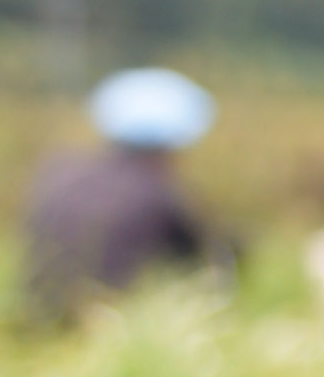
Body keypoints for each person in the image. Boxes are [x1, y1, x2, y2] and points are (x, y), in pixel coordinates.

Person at [23, 66, 226, 321]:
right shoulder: (156, 190)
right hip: (104, 321)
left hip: (36, 313)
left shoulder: (59, 170)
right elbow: (208, 263)